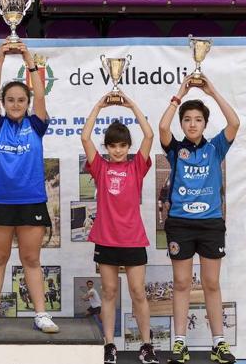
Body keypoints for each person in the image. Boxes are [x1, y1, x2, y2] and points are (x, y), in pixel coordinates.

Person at [0, 41, 58, 334]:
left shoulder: (37, 125)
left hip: (31, 201)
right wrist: (0, 59)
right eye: (9, 99)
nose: (15, 104)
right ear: (3, 103)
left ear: (27, 102)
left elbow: (40, 97)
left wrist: (29, 60)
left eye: (20, 100)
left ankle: (40, 314)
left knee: (31, 259)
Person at [158, 74, 240, 364]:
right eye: (188, 120)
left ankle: (219, 344)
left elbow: (234, 123)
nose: (192, 124)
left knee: (211, 284)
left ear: (205, 123)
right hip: (180, 223)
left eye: (198, 120)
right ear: (183, 124)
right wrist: (179, 93)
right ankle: (179, 344)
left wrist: (212, 91)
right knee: (181, 283)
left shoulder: (215, 147)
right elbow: (162, 127)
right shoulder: (175, 150)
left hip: (210, 224)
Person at [81, 91, 157, 364]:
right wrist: (99, 105)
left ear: (128, 147)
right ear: (107, 147)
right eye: (113, 145)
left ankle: (147, 345)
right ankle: (109, 344)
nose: (117, 150)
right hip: (106, 239)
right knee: (109, 292)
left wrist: (132, 105)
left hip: (133, 239)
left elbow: (149, 136)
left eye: (122, 145)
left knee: (138, 292)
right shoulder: (99, 167)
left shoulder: (137, 166)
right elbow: (85, 137)